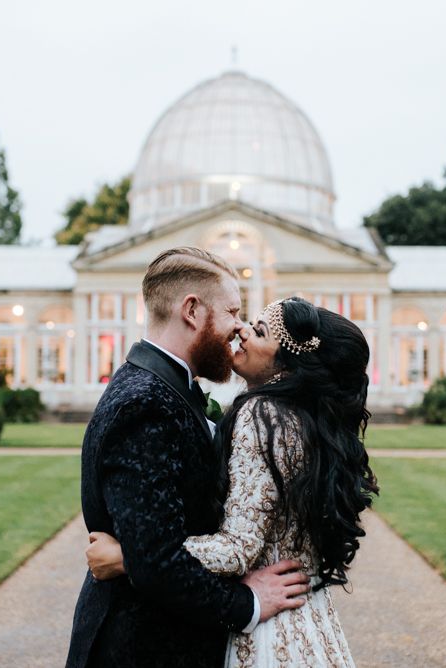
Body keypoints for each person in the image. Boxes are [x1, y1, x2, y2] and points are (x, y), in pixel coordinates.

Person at [87, 296, 379, 667]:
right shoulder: (307, 421)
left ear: (287, 366)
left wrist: (132, 557)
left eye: (259, 331)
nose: (241, 330)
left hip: (270, 631)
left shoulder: (262, 415)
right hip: (311, 619)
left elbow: (238, 547)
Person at [66, 248, 310, 668]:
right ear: (192, 310)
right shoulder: (145, 404)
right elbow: (156, 560)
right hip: (143, 649)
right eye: (233, 311)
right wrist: (248, 602)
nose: (239, 327)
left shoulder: (163, 389)